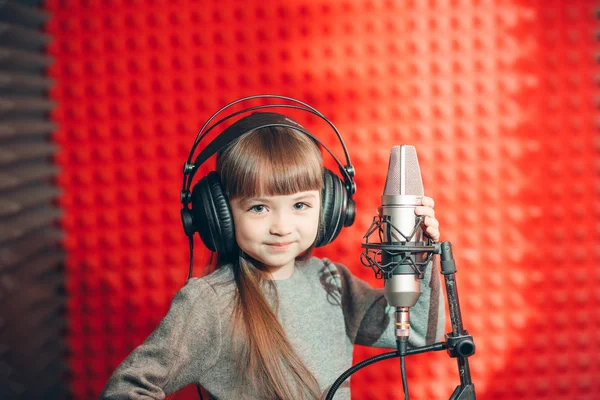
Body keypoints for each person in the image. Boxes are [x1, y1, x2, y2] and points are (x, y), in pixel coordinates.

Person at [100, 114, 445, 399]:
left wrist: (418, 254)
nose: (281, 227)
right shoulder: (209, 304)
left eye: (299, 205)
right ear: (218, 214)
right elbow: (127, 390)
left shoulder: (332, 281)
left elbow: (417, 333)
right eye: (259, 207)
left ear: (329, 209)